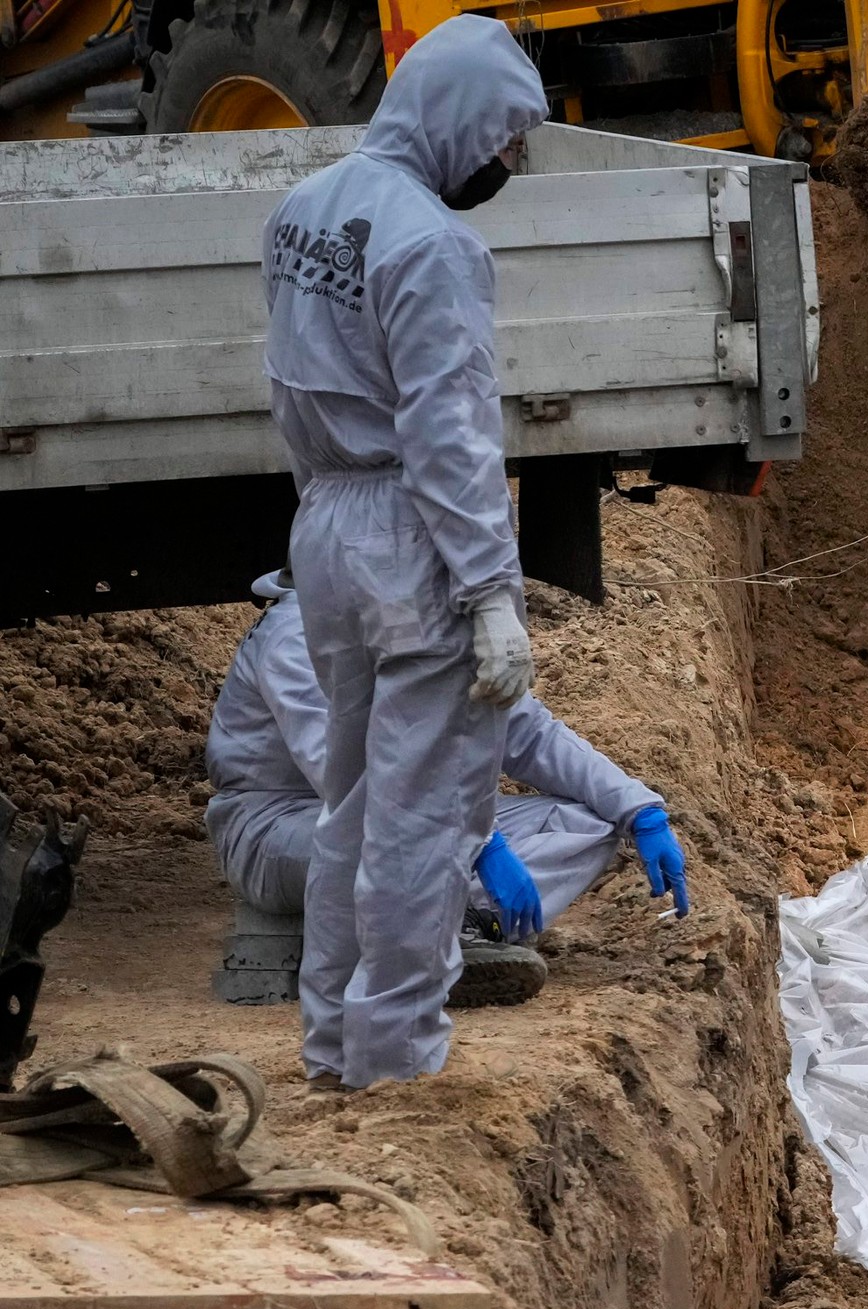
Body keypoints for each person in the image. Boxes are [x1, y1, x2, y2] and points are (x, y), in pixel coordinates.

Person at [260, 15, 548, 1087]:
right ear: (464, 118)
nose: (505, 161)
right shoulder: (434, 243)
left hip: (326, 528)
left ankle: (333, 1042)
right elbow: (449, 433)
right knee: (422, 823)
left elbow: (293, 386)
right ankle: (391, 1058)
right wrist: (489, 593)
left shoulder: (303, 211)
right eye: (506, 138)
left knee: (351, 806)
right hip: (409, 539)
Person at [205, 573, 689, 1004]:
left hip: (411, 809)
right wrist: (474, 839)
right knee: (401, 834)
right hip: (280, 827)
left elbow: (525, 732)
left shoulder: (413, 615)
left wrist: (640, 810)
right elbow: (346, 776)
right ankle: (425, 940)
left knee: (589, 824)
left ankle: (466, 924)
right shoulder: (297, 636)